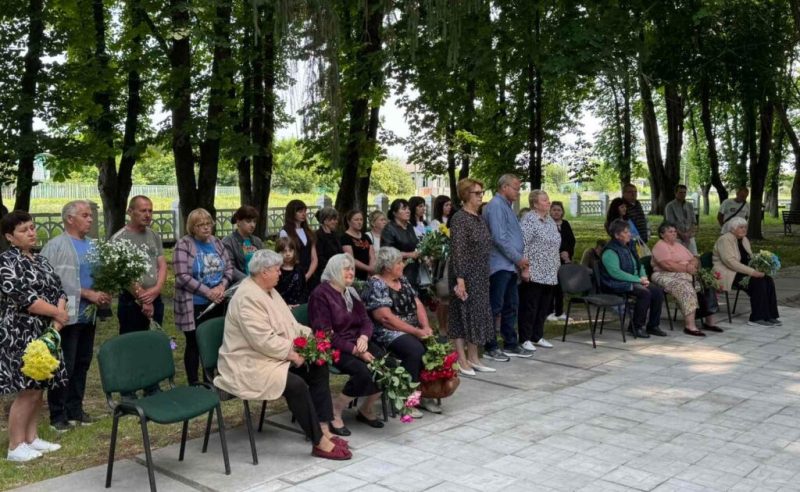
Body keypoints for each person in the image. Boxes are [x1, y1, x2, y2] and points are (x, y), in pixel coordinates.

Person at [214, 250, 351, 460]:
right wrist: (292, 354)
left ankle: (323, 427)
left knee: (318, 365)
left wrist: (312, 342)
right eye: (277, 270)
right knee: (295, 385)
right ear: (264, 272)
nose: (281, 273)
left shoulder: (269, 289)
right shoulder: (247, 297)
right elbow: (262, 340)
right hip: (247, 361)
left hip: (269, 355)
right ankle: (319, 442)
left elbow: (291, 325)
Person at [0, 211, 68, 461]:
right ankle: (15, 446)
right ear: (10, 237)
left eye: (32, 227)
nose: (31, 232)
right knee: (26, 389)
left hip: (47, 331)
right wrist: (58, 315)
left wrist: (57, 320)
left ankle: (31, 437)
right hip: (20, 332)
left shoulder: (41, 260)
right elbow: (24, 298)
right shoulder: (6, 262)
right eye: (24, 230)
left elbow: (59, 289)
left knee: (40, 387)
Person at [41, 201, 111, 432]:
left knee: (82, 363)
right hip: (65, 318)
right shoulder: (56, 246)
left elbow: (99, 275)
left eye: (91, 215)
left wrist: (104, 290)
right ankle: (57, 415)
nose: (90, 219)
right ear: (70, 219)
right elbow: (51, 282)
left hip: (87, 316)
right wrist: (87, 293)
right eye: (85, 215)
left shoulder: (93, 245)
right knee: (64, 365)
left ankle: (75, 410)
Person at [308, 254, 384, 435]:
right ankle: (336, 410)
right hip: (334, 347)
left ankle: (366, 409)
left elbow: (366, 321)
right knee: (363, 372)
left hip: (357, 343)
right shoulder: (321, 295)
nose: (351, 272)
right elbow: (324, 334)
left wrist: (364, 338)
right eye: (346, 269)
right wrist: (356, 351)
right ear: (334, 270)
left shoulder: (350, 292)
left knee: (386, 365)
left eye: (352, 268)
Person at [362, 247, 438, 416]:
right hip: (387, 332)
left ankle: (424, 394)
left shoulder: (402, 280)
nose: (402, 265)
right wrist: (416, 332)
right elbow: (385, 318)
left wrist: (425, 327)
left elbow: (417, 303)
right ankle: (406, 401)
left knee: (434, 344)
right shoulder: (376, 284)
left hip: (411, 329)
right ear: (388, 267)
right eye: (398, 262)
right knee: (415, 350)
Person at [173, 208, 234, 385]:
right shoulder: (184, 245)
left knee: (213, 340)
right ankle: (194, 382)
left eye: (208, 224)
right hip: (194, 303)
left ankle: (210, 379)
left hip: (217, 301)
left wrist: (222, 286)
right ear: (192, 228)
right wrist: (208, 292)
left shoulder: (217, 243)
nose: (206, 228)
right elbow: (182, 276)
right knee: (194, 343)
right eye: (200, 225)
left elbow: (229, 268)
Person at [481, 174, 533, 361]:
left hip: (509, 265)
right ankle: (490, 345)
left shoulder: (506, 206)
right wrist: (518, 258)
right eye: (516, 188)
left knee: (511, 305)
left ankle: (510, 343)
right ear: (504, 187)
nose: (518, 192)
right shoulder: (495, 206)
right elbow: (499, 238)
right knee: (495, 306)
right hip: (499, 265)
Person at [448, 179, 496, 376]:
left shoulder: (478, 217)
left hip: (481, 274)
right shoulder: (459, 219)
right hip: (465, 274)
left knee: (478, 314)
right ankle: (461, 359)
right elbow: (458, 250)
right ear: (466, 195)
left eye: (481, 192)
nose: (480, 196)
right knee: (461, 315)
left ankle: (474, 357)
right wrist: (460, 279)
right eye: (477, 193)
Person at [599, 219, 666, 339]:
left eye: (628, 231)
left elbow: (639, 264)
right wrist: (638, 280)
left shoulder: (629, 246)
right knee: (644, 293)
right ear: (617, 235)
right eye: (625, 232)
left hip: (634, 280)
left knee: (657, 292)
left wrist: (643, 276)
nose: (629, 234)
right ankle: (636, 327)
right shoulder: (610, 251)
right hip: (615, 283)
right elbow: (616, 273)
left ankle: (653, 326)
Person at [651, 221, 720, 337]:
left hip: (685, 273)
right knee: (685, 288)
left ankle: (709, 322)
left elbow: (694, 258)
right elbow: (668, 265)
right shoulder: (660, 246)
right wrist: (686, 268)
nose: (674, 234)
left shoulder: (678, 245)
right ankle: (690, 326)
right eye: (670, 232)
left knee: (706, 283)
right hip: (665, 274)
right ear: (662, 234)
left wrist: (692, 265)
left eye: (675, 231)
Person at [111, 195, 167, 334]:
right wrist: (143, 299)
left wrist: (157, 289)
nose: (148, 215)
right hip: (132, 302)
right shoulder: (119, 239)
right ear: (130, 212)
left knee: (154, 342)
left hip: (155, 298)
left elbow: (162, 264)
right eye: (143, 211)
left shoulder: (153, 235)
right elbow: (123, 274)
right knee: (133, 345)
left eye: (150, 211)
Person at [713, 217, 780, 326]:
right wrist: (752, 272)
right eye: (741, 227)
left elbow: (749, 257)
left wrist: (761, 266)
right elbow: (730, 262)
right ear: (733, 229)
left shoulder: (744, 239)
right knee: (757, 282)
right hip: (728, 273)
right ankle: (756, 318)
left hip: (742, 272)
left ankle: (770, 315)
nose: (744, 230)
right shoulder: (725, 240)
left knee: (768, 279)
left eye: (745, 227)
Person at [518, 190, 560, 351]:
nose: (548, 202)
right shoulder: (529, 219)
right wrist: (525, 269)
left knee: (544, 305)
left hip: (549, 270)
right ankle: (525, 337)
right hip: (534, 269)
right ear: (535, 204)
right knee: (530, 305)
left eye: (548, 199)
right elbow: (524, 245)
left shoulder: (549, 220)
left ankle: (537, 335)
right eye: (544, 200)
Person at [381, 199, 421, 287]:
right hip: (397, 271)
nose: (408, 211)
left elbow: (415, 244)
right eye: (404, 209)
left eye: (408, 209)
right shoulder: (389, 229)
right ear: (394, 213)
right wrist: (409, 254)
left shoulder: (409, 226)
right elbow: (387, 252)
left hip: (413, 269)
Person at [279, 199, 318, 285]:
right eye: (300, 211)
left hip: (310, 274)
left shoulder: (309, 232)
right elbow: (285, 255)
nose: (303, 214)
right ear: (292, 213)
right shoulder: (285, 232)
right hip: (293, 274)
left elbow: (314, 258)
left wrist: (307, 275)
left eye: (305, 211)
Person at [222, 205, 264, 282]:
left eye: (254, 221)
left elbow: (264, 263)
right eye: (248, 221)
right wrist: (249, 281)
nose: (252, 225)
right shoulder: (228, 241)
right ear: (238, 222)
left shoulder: (257, 241)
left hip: (259, 283)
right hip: (239, 285)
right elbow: (230, 268)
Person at [549, 200, 575, 322]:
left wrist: (567, 253)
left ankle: (559, 311)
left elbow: (571, 241)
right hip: (551, 259)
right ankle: (549, 311)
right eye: (554, 210)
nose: (556, 212)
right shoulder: (547, 224)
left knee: (560, 286)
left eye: (558, 210)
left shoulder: (565, 224)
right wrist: (559, 252)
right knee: (551, 286)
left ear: (562, 212)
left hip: (564, 260)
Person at [313, 207, 343, 289]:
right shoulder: (317, 236)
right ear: (325, 221)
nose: (336, 222)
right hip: (325, 273)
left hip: (338, 272)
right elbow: (320, 256)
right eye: (333, 219)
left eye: (336, 219)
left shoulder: (335, 235)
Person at [340, 210, 374, 281]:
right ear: (349, 222)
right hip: (354, 274)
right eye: (356, 220)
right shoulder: (345, 238)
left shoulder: (366, 237)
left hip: (369, 274)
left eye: (361, 219)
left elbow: (372, 255)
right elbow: (351, 258)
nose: (359, 222)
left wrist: (371, 269)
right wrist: (368, 268)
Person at [664, 185, 698, 254]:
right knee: (679, 258)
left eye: (684, 192)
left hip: (690, 237)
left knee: (694, 257)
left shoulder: (689, 205)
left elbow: (693, 222)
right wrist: (682, 235)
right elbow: (670, 224)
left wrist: (688, 234)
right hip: (677, 238)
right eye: (680, 192)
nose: (683, 194)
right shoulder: (670, 206)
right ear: (675, 193)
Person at [275, 238, 308, 306]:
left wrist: (300, 303)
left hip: (299, 305)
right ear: (278, 253)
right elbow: (275, 292)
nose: (288, 254)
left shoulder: (299, 269)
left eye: (290, 250)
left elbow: (304, 289)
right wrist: (285, 305)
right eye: (284, 251)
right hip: (282, 306)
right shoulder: (276, 271)